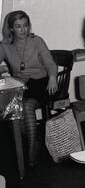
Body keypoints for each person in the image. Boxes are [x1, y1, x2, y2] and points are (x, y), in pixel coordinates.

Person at [0, 10, 58, 167]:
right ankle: (35, 141)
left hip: (41, 83)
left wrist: (53, 77)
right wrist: (7, 74)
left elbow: (50, 63)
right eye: (18, 26)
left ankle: (32, 148)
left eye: (25, 25)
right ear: (11, 28)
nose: (23, 29)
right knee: (12, 110)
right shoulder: (5, 46)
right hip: (21, 85)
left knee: (25, 106)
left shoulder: (37, 41)